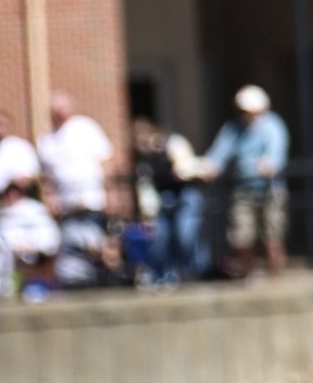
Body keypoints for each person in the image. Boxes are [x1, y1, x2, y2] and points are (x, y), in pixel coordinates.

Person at [202, 84, 290, 277]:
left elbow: (276, 156)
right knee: (242, 237)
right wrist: (209, 166)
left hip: (270, 189)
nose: (247, 115)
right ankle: (248, 277)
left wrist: (269, 165)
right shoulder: (233, 128)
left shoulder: (272, 126)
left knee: (272, 236)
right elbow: (219, 153)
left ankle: (276, 278)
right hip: (242, 189)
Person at [132, 116, 207, 285]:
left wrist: (179, 167)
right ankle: (169, 276)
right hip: (164, 200)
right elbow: (145, 188)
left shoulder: (173, 143)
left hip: (186, 196)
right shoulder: (145, 163)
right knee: (161, 240)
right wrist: (147, 212)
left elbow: (187, 167)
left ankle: (195, 273)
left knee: (185, 236)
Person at [36, 92, 114, 219]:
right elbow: (46, 175)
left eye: (62, 108)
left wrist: (109, 194)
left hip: (93, 198)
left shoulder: (86, 127)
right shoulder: (46, 139)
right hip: (65, 201)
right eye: (56, 109)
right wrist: (50, 198)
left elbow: (105, 161)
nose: (60, 112)